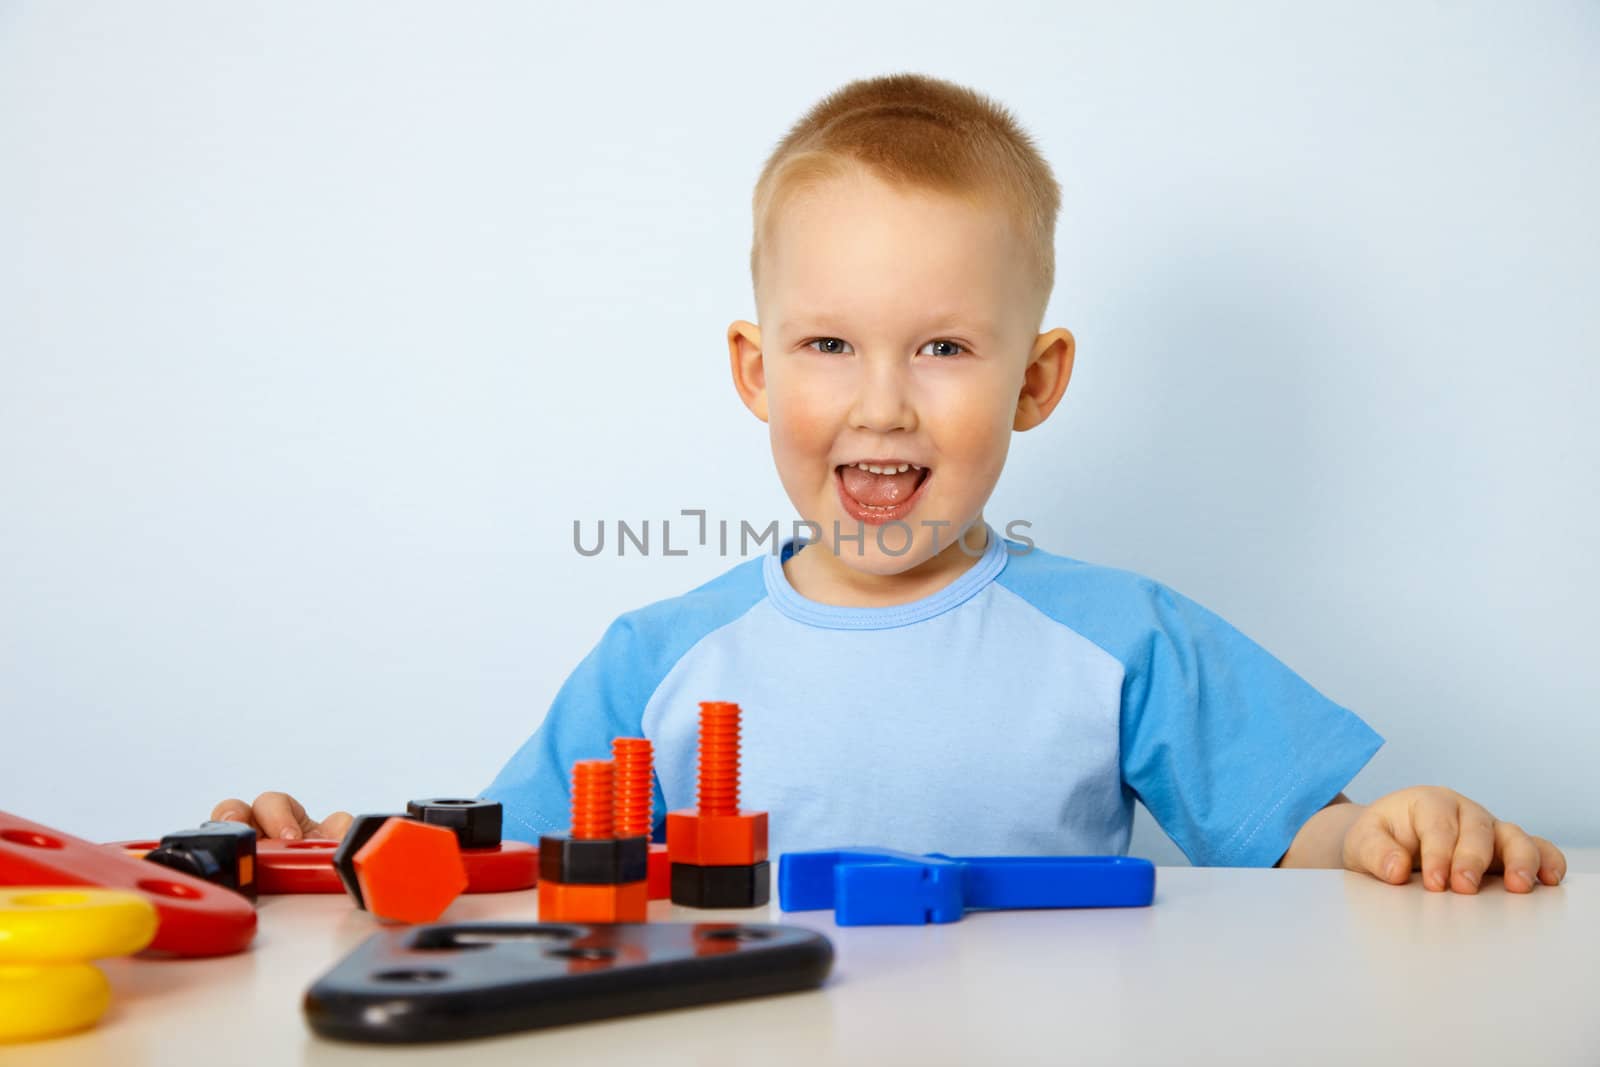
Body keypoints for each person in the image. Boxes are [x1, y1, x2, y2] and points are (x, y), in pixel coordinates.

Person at [212, 73, 1565, 893]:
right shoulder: (653, 662)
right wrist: (327, 847)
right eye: (827, 345)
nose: (879, 402)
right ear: (755, 369)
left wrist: (1392, 835)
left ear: (1036, 382)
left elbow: (1296, 850)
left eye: (942, 348)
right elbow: (485, 871)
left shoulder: (1123, 638)